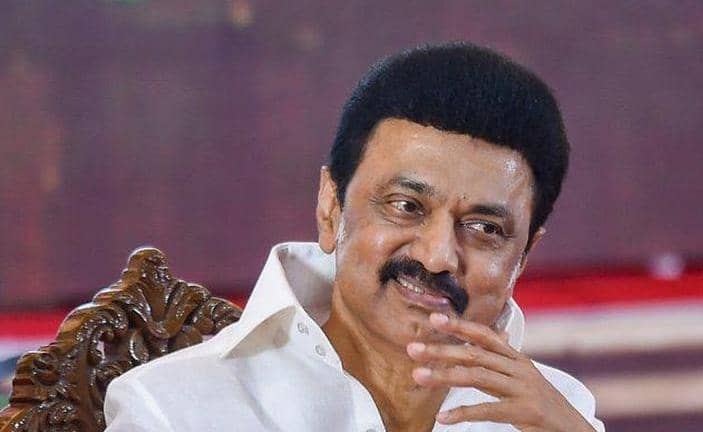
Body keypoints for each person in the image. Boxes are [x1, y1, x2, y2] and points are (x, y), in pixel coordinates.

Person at [104, 42, 604, 432]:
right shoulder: (174, 409)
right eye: (407, 207)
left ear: (523, 256)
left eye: (484, 229)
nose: (437, 256)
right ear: (331, 207)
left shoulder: (553, 412)